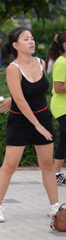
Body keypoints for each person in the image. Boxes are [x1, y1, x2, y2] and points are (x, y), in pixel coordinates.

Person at [0, 27, 60, 223]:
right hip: (21, 120)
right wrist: (36, 125)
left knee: (47, 164)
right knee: (10, 165)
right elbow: (20, 100)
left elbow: (34, 91)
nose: (31, 42)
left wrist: (40, 123)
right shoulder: (13, 68)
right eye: (26, 39)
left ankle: (55, 206)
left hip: (43, 117)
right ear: (15, 45)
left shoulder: (41, 62)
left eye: (32, 38)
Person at [50, 32, 66, 186]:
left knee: (64, 141)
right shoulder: (61, 63)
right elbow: (58, 88)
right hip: (62, 108)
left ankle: (55, 175)